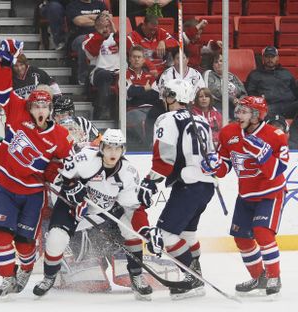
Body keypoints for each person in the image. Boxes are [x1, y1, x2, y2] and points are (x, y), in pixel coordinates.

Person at [33, 128, 164, 301]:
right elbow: (54, 170)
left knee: (131, 230)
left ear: (123, 150)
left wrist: (146, 231)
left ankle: (136, 276)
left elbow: (133, 209)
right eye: (109, 147)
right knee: (56, 239)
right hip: (72, 206)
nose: (113, 152)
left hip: (103, 211)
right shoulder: (85, 158)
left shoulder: (128, 173)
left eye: (117, 148)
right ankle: (49, 277)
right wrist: (71, 184)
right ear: (101, 147)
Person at [0, 39, 73, 297]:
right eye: (35, 105)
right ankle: (6, 278)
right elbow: (0, 90)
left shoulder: (61, 135)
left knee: (25, 242)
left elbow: (63, 163)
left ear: (50, 109)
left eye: (44, 106)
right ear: (29, 106)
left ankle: (25, 268)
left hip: (34, 193)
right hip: (7, 187)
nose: (39, 109)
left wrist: (56, 175)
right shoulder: (17, 111)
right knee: (1, 234)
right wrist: (4, 62)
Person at [200, 96, 289, 297]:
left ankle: (274, 276)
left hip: (271, 193)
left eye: (244, 111)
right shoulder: (228, 132)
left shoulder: (275, 135)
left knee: (262, 232)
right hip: (246, 194)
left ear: (257, 115)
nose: (238, 114)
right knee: (242, 238)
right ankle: (260, 277)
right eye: (238, 110)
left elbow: (276, 171)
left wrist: (263, 153)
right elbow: (224, 167)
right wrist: (213, 167)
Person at [137, 79, 216, 300]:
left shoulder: (167, 118)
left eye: (165, 96)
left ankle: (192, 278)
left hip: (189, 185)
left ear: (172, 96)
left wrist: (150, 181)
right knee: (187, 233)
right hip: (206, 185)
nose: (163, 99)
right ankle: (196, 274)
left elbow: (164, 158)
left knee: (165, 234)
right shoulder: (202, 119)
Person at [83, 11, 119, 120]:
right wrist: (100, 35)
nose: (106, 28)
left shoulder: (118, 36)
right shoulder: (90, 37)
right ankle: (103, 110)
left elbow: (129, 49)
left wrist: (115, 33)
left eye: (108, 25)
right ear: (96, 26)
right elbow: (91, 54)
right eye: (102, 26)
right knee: (105, 75)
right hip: (100, 72)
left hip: (119, 72)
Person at [246, 46, 298, 119]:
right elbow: (250, 94)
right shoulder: (255, 75)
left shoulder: (286, 73)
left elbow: (295, 90)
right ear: (263, 58)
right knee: (264, 112)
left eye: (272, 57)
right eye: (267, 57)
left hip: (289, 105)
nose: (270, 59)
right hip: (269, 107)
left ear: (277, 58)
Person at [66, 0, 107, 85]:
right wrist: (99, 20)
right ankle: (83, 77)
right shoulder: (72, 5)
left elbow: (108, 19)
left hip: (100, 34)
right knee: (84, 42)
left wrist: (87, 17)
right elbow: (80, 21)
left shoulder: (100, 4)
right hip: (80, 36)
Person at [203, 53, 247, 119]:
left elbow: (243, 92)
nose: (219, 63)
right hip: (217, 104)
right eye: (216, 62)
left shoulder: (231, 75)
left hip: (235, 104)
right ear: (212, 65)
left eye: (221, 61)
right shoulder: (209, 74)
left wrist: (240, 101)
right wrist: (232, 99)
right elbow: (215, 90)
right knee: (223, 119)